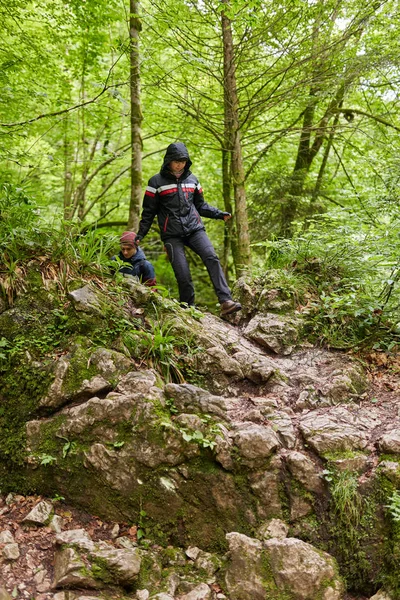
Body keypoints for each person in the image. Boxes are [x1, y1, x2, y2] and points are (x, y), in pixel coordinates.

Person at [136, 141, 241, 316]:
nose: (180, 165)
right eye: (176, 161)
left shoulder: (193, 180)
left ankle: (225, 301)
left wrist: (218, 214)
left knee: (212, 257)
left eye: (183, 161)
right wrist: (140, 235)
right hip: (171, 235)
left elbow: (201, 206)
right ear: (168, 161)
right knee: (183, 273)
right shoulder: (155, 182)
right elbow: (148, 212)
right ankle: (188, 309)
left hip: (195, 229)